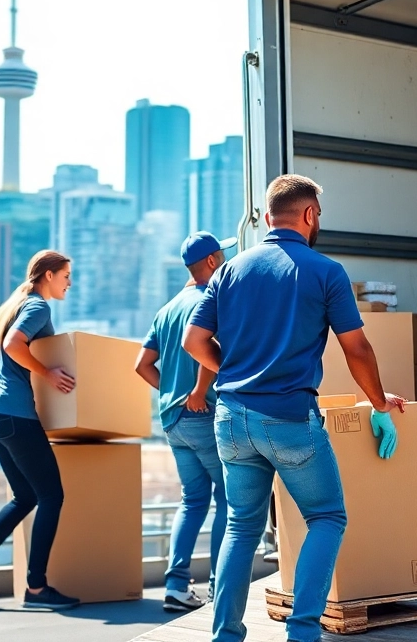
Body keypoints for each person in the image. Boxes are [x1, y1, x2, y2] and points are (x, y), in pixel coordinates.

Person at [183, 174, 407, 642]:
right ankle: (303, 634)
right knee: (326, 517)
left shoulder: (228, 270)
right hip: (289, 421)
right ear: (309, 215)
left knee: (241, 527)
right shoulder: (325, 270)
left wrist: (231, 372)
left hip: (231, 418)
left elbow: (193, 341)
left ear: (267, 217)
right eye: (318, 215)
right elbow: (358, 349)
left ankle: (225, 635)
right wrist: (378, 401)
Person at [0, 250, 81, 610]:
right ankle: (37, 589)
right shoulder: (39, 307)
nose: (69, 282)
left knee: (26, 495)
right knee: (52, 496)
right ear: (47, 276)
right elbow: (14, 345)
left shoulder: (11, 305)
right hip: (15, 417)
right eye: (65, 275)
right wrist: (45, 374)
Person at [134, 232, 236, 612]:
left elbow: (142, 366)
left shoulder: (167, 308)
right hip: (202, 413)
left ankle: (176, 587)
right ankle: (216, 589)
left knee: (192, 500)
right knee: (228, 498)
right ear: (211, 261)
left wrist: (171, 394)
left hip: (172, 420)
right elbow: (209, 347)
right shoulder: (214, 298)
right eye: (222, 255)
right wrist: (196, 391)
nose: (225, 260)